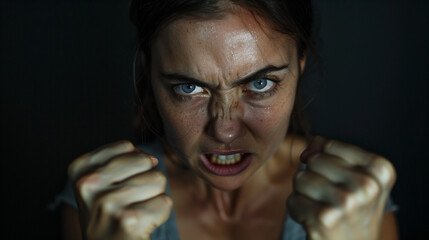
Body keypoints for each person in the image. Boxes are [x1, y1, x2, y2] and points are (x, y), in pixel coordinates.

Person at [58, 0, 399, 239]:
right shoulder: (104, 203)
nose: (224, 130)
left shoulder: (351, 201)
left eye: (260, 84)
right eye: (189, 87)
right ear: (149, 72)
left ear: (300, 65)